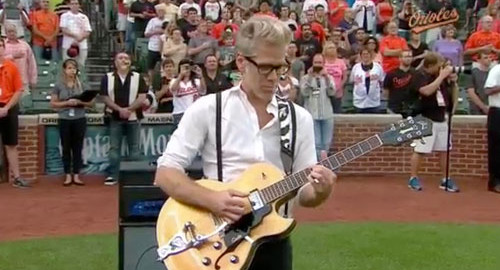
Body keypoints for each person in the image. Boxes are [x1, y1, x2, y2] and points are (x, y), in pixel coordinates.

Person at [154, 16, 336, 270]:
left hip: (274, 244)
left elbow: (304, 193)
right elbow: (165, 174)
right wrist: (213, 200)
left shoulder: (298, 118)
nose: (274, 77)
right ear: (241, 62)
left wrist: (320, 191)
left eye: (281, 67)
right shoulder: (209, 109)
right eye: (265, 68)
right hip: (217, 239)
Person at [407, 52, 460, 193]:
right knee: (420, 150)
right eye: (438, 66)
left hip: (442, 117)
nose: (441, 68)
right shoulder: (419, 75)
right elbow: (426, 91)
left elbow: (454, 97)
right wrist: (442, 76)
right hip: (425, 118)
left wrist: (454, 82)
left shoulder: (440, 77)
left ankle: (446, 179)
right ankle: (413, 178)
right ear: (430, 65)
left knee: (445, 151)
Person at [99, 52, 148, 186]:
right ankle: (113, 175)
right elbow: (104, 97)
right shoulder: (107, 77)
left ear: (130, 62)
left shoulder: (138, 77)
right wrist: (119, 110)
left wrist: (130, 109)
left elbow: (142, 96)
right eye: (120, 58)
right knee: (114, 148)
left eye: (126, 58)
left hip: (134, 117)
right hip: (114, 117)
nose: (124, 60)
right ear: (115, 62)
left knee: (135, 148)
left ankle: (135, 177)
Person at [50, 59, 93, 186]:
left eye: (73, 68)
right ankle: (67, 175)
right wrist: (66, 103)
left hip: (79, 119)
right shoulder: (59, 85)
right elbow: (53, 103)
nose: (71, 70)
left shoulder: (82, 85)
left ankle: (77, 174)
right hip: (64, 119)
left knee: (78, 147)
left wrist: (80, 102)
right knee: (66, 147)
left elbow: (91, 103)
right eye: (69, 68)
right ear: (64, 70)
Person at [0, 38, 29, 188]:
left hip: (9, 107)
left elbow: (18, 90)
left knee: (11, 143)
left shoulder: (11, 67)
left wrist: (6, 108)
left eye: (0, 46)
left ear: (4, 49)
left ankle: (17, 177)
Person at [301, 53, 336, 158]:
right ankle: (318, 166)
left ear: (324, 64)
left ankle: (324, 165)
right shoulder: (306, 78)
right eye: (316, 62)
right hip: (312, 114)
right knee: (316, 143)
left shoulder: (328, 77)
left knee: (326, 143)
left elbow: (332, 92)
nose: (318, 65)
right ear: (312, 63)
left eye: (320, 63)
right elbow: (305, 93)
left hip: (327, 114)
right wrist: (311, 77)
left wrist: (326, 78)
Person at [350, 48, 385, 113]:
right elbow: (352, 81)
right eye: (364, 54)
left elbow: (381, 80)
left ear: (371, 55)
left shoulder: (378, 67)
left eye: (368, 54)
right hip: (359, 102)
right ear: (360, 56)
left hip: (374, 102)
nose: (366, 55)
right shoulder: (356, 67)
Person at [60, 0, 92, 67]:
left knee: (81, 65)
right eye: (72, 4)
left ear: (79, 5)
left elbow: (88, 31)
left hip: (82, 46)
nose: (74, 5)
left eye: (76, 4)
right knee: (68, 65)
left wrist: (80, 38)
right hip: (68, 45)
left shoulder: (84, 17)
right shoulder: (65, 16)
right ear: (69, 5)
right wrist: (75, 35)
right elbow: (64, 29)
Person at [383, 50, 415, 116]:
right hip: (394, 108)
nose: (408, 58)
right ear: (400, 58)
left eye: (410, 56)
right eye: (406, 57)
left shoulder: (416, 73)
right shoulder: (391, 73)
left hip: (411, 109)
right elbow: (385, 91)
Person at [484, 62, 500, 193]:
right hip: (497, 111)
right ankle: (494, 181)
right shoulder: (496, 70)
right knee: (496, 148)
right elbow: (487, 90)